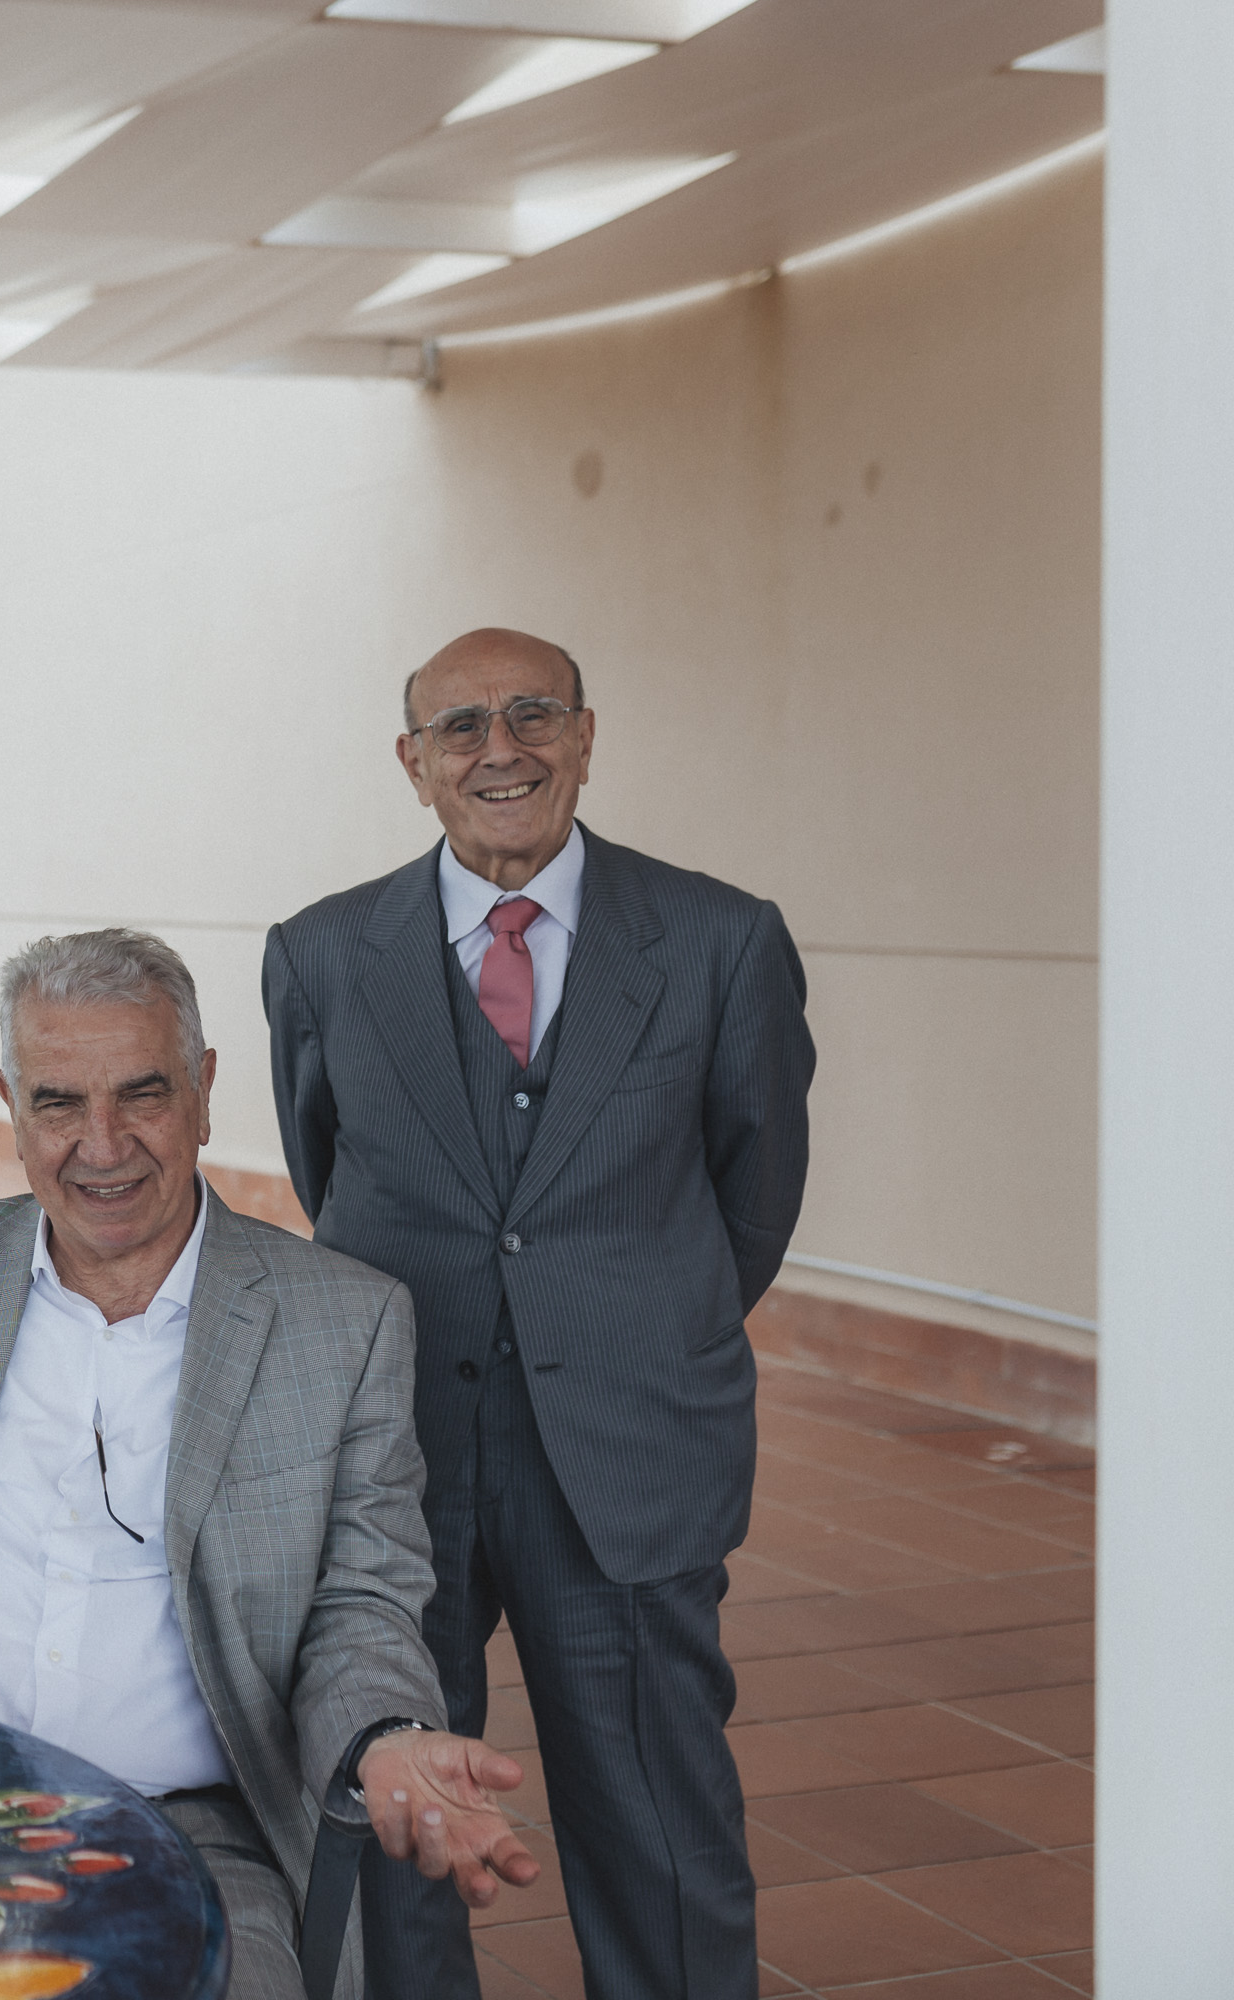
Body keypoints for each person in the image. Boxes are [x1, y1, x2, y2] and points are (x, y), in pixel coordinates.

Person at [0, 931, 539, 1997]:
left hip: (179, 1830)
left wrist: (389, 1735)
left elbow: (359, 1604)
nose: (103, 1144)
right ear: (10, 1104)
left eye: (142, 1093)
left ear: (204, 1090)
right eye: (57, 1102)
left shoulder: (343, 1323)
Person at [262, 629, 815, 2000]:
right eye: (461, 727)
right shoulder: (320, 953)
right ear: (413, 763)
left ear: (585, 734)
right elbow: (327, 1174)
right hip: (400, 1454)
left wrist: (631, 1322)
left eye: (532, 715)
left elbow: (753, 1200)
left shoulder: (722, 939)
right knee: (396, 1810)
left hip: (629, 1444)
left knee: (658, 1821)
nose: (499, 750)